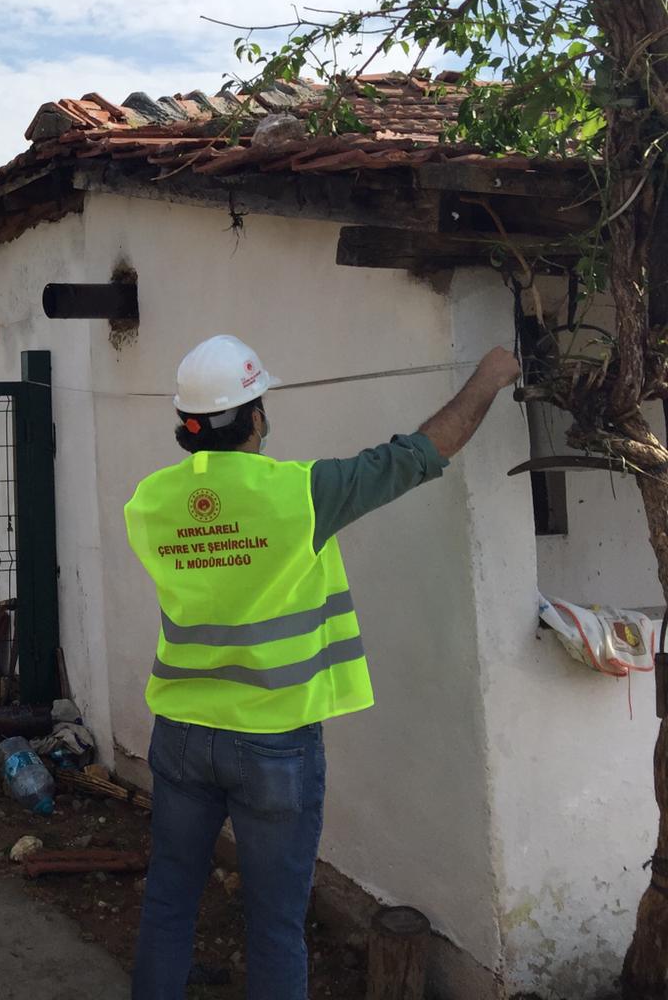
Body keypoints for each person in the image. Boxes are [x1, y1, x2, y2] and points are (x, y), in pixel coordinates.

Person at [123, 335, 521, 999]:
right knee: (275, 924)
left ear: (186, 425)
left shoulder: (148, 504)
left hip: (183, 734)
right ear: (254, 418)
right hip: (274, 745)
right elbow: (417, 457)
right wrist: (489, 377)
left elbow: (213, 527)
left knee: (169, 899)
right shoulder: (302, 493)